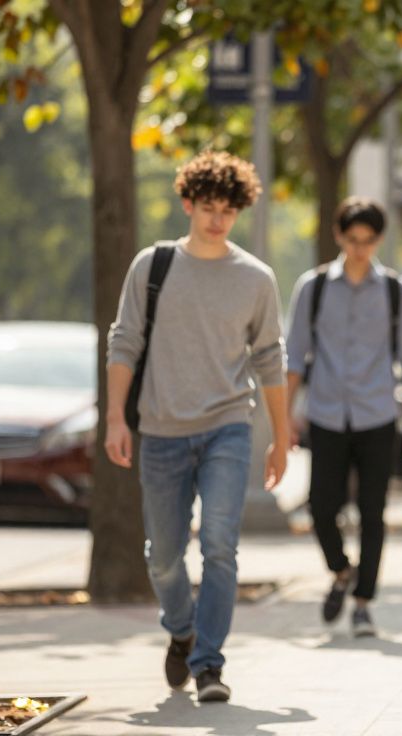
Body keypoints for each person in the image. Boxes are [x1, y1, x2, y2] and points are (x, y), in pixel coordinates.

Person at [105, 150, 289, 703]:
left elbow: (270, 361)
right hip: (160, 430)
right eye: (207, 208)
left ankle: (209, 664)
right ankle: (181, 629)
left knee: (218, 544)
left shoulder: (255, 278)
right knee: (161, 556)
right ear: (187, 203)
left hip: (227, 428)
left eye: (227, 211)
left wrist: (282, 436)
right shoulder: (152, 266)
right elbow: (124, 341)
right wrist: (116, 417)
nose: (217, 220)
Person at [284, 196, 402, 638]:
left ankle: (363, 602)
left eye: (367, 240)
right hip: (325, 414)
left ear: (378, 239)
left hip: (378, 415)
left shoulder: (394, 291)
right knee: (321, 508)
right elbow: (294, 356)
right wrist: (286, 415)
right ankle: (341, 570)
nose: (359, 248)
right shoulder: (313, 287)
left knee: (372, 512)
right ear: (338, 236)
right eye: (352, 239)